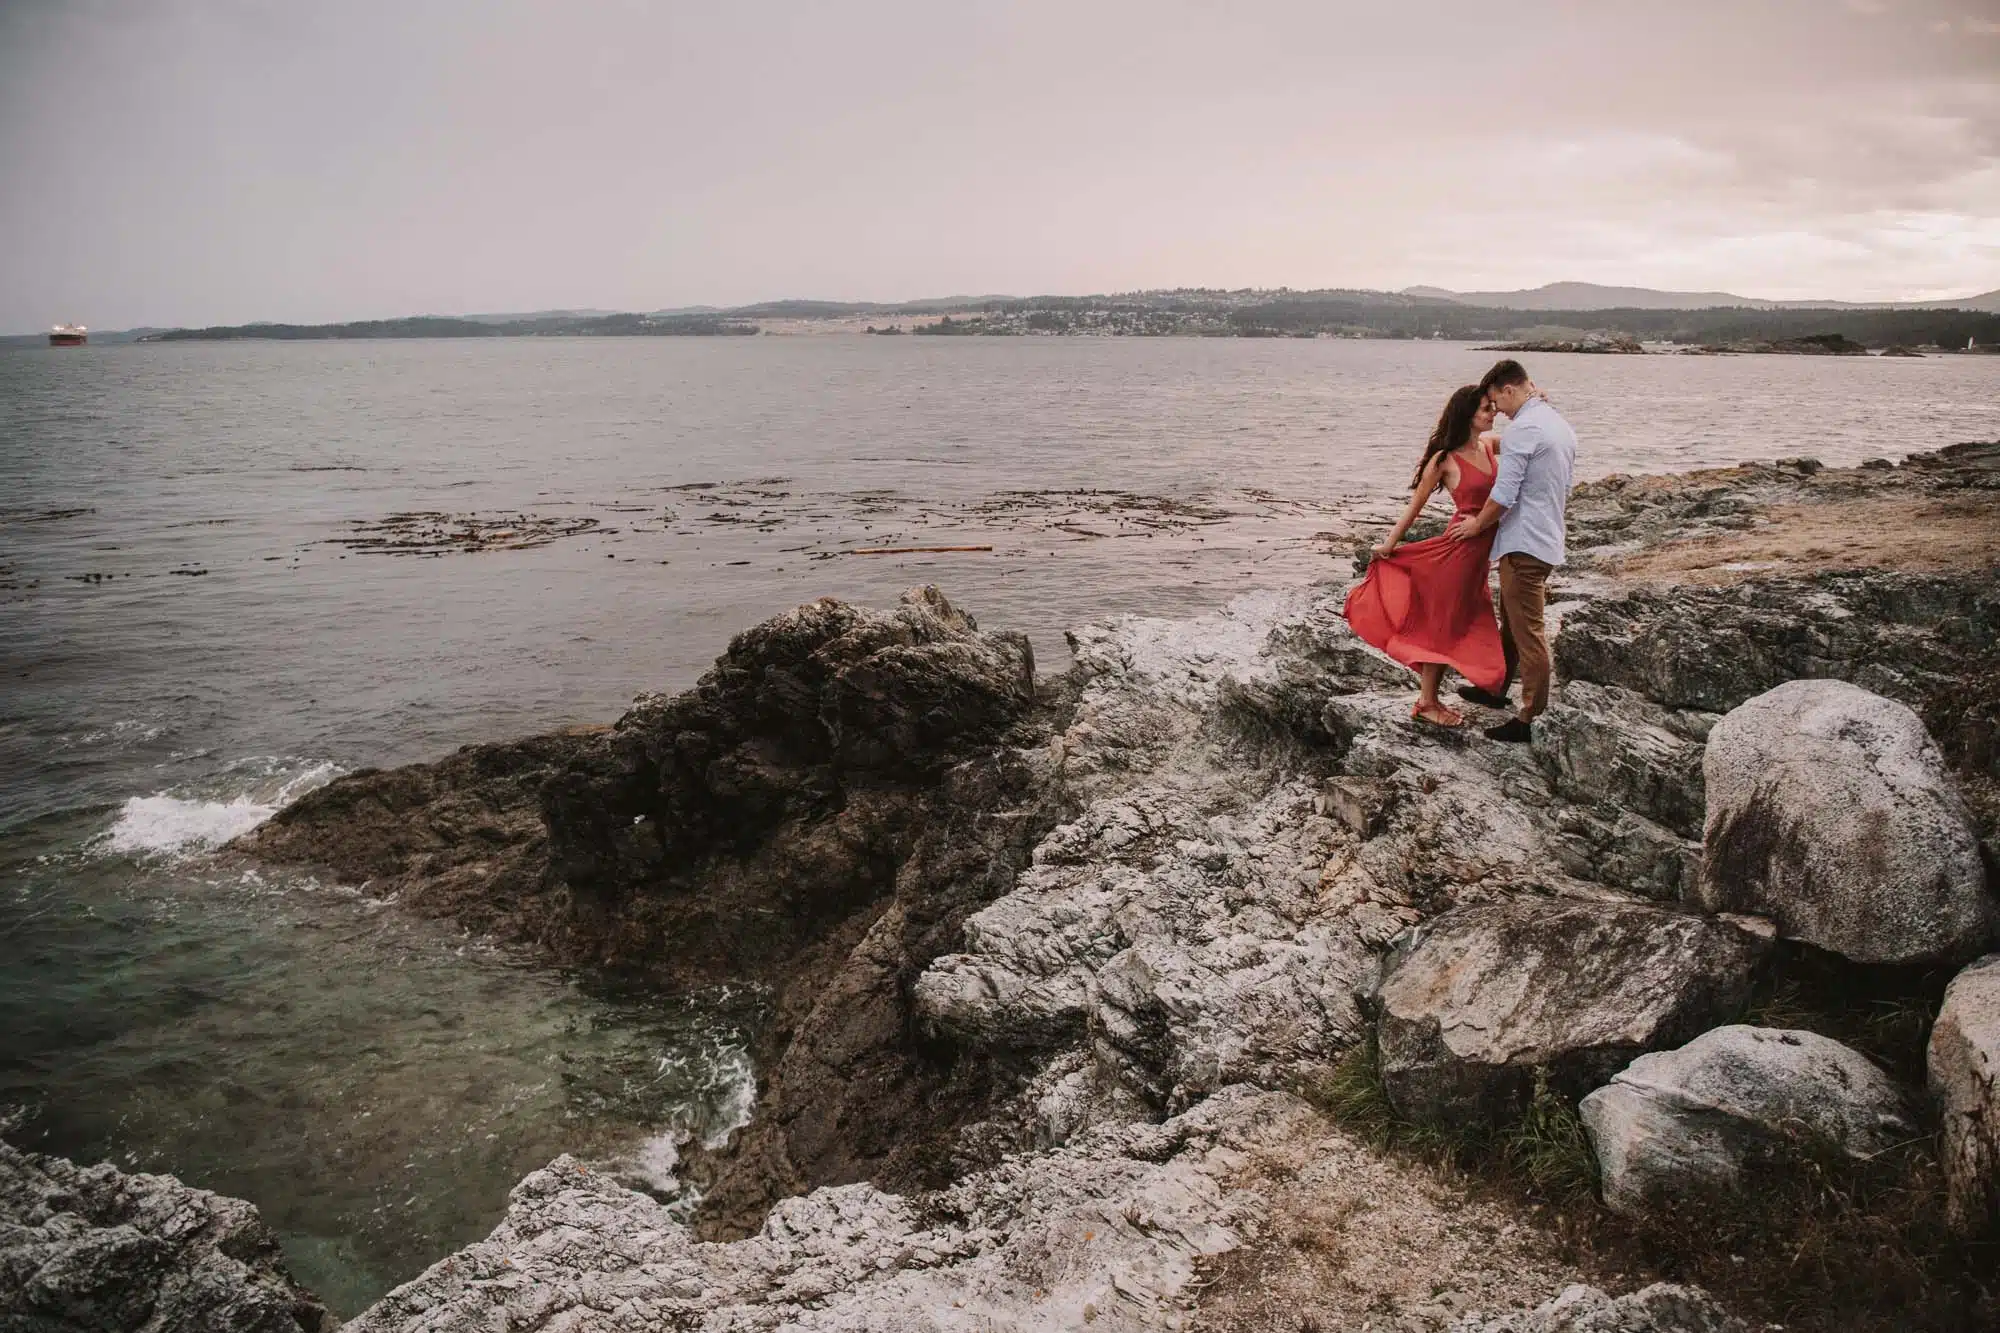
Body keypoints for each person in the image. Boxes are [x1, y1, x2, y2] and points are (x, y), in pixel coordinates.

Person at [1343, 384, 1509, 728]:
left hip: (1478, 556)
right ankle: (1427, 702)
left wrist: (1537, 405)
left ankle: (1436, 697)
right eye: (1485, 409)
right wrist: (1389, 545)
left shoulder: (1490, 446)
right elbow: (1414, 507)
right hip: (1457, 553)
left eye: (1492, 407)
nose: (1492, 413)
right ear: (1466, 416)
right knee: (1442, 626)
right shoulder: (1444, 459)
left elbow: (1530, 441)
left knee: (1459, 623)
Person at [1446, 359, 1577, 743]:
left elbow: (1504, 494)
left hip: (1525, 544)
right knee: (1512, 621)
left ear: (1508, 390)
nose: (1497, 411)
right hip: (1546, 538)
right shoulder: (1556, 423)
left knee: (1528, 631)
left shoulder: (1524, 429)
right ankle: (1495, 689)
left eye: (1495, 401)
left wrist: (1476, 525)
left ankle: (1529, 717)